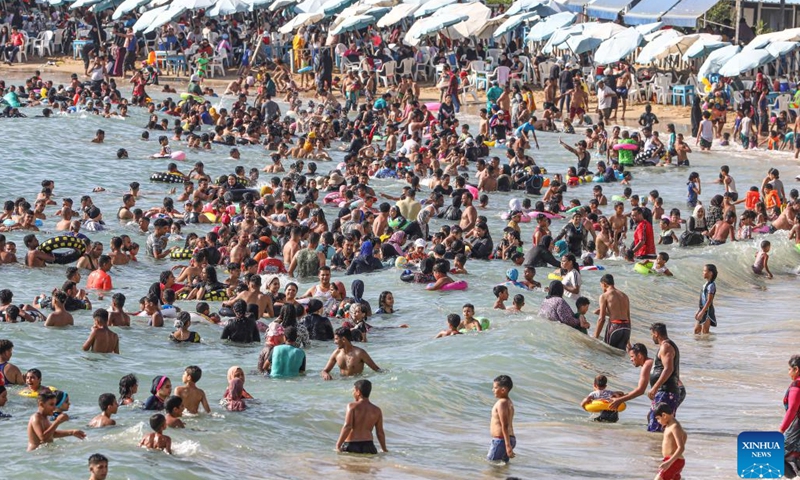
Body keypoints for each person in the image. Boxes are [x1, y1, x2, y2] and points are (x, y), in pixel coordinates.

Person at [335, 379, 387, 454]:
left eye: (353, 390)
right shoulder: (377, 410)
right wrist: (384, 449)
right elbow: (380, 432)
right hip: (369, 446)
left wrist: (338, 445)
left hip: (352, 445)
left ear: (358, 391)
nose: (353, 393)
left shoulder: (352, 406)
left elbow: (347, 426)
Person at [647, 323, 682, 433]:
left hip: (665, 392)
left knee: (657, 426)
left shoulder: (666, 346)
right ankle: (659, 448)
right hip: (665, 392)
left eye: (652, 334)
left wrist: (655, 387)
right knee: (657, 423)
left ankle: (656, 449)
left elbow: (668, 369)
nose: (652, 337)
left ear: (656, 334)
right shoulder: (666, 346)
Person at [593, 274, 631, 350]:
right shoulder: (624, 296)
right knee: (619, 355)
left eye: (601, 285)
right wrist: (628, 340)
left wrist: (595, 337)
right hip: (626, 328)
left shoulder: (604, 296)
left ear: (604, 284)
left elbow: (601, 319)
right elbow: (628, 317)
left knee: (608, 353)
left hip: (615, 327)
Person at [654, 402, 687, 480]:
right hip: (675, 461)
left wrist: (669, 462)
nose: (658, 421)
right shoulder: (669, 425)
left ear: (664, 415)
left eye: (658, 418)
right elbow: (685, 435)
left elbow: (681, 447)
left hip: (673, 461)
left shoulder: (674, 426)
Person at [780, 354, 800, 477]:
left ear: (796, 369)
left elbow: (792, 410)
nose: (788, 373)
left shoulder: (796, 386)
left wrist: (781, 430)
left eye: (789, 369)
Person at [488, 375, 515, 462]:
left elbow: (505, 425)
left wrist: (507, 445)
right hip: (507, 439)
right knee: (501, 467)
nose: (493, 390)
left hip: (501, 440)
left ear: (503, 390)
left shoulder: (501, 403)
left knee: (492, 465)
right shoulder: (508, 402)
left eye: (495, 388)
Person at [695, 264, 717, 334]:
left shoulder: (711, 285)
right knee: (696, 331)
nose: (703, 272)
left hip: (707, 311)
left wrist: (702, 312)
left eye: (705, 271)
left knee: (705, 333)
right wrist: (699, 310)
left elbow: (709, 300)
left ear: (710, 273)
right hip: (702, 309)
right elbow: (702, 300)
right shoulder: (705, 284)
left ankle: (708, 344)